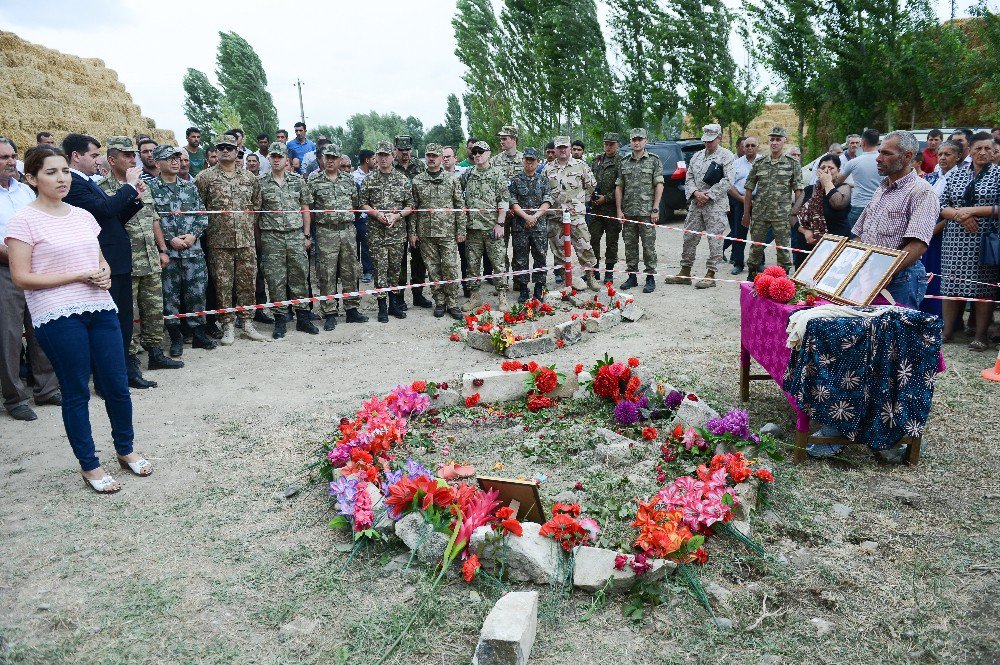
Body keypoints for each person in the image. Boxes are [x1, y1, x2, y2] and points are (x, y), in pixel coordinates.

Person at [5, 145, 153, 493]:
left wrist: (103, 273)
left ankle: (126, 450)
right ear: (32, 178)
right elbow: (22, 277)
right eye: (51, 172)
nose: (61, 179)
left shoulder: (82, 216)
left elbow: (98, 260)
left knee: (117, 384)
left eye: (65, 171)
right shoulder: (23, 220)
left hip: (100, 308)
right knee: (76, 391)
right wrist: (75, 276)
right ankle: (90, 465)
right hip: (57, 315)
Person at [809, 131, 938, 462]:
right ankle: (840, 427)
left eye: (886, 153)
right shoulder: (882, 190)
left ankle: (887, 439)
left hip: (899, 285)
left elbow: (916, 246)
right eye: (879, 151)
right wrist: (835, 266)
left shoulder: (922, 193)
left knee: (891, 362)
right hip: (866, 282)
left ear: (908, 158)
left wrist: (879, 275)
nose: (877, 158)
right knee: (857, 353)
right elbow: (856, 236)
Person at [62, 133, 156, 389]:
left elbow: (111, 219)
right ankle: (107, 381)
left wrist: (134, 198)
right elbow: (104, 211)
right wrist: (128, 185)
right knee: (111, 326)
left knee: (122, 323)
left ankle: (120, 375)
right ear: (76, 156)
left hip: (116, 261)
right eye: (93, 155)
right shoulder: (74, 183)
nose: (97, 160)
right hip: (105, 263)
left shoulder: (86, 182)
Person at [100, 138, 182, 373]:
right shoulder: (104, 189)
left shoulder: (142, 186)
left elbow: (153, 219)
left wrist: (162, 249)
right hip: (126, 263)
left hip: (150, 258)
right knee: (129, 314)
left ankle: (156, 352)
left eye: (132, 155)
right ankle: (130, 358)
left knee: (154, 309)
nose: (132, 160)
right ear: (112, 159)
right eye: (126, 156)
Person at [0, 137, 60, 422]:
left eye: (12, 156)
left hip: (37, 269)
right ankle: (15, 398)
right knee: (9, 335)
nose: (10, 162)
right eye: (2, 157)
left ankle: (46, 388)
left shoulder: (25, 191)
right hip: (4, 272)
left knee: (41, 328)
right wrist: (17, 254)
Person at [195, 133, 267, 345]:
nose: (225, 150)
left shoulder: (249, 178)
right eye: (221, 147)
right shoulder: (205, 178)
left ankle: (247, 323)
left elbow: (256, 206)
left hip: (246, 241)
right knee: (223, 285)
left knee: (247, 284)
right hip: (219, 243)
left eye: (229, 147)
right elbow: (200, 209)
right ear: (216, 152)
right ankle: (227, 325)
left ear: (237, 152)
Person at [148, 145, 216, 356]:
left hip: (193, 252)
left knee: (197, 293)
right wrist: (170, 239)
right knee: (170, 298)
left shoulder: (190, 187)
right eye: (169, 159)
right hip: (168, 254)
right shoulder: (150, 188)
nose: (176, 162)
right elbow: (150, 219)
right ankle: (176, 337)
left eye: (177, 157)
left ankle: (198, 334)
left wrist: (194, 235)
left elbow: (202, 214)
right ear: (157, 163)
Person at [938, 131, 1000, 350]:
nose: (982, 152)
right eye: (978, 148)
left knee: (983, 287)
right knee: (951, 284)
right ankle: (947, 331)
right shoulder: (956, 174)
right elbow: (941, 204)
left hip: (984, 238)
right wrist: (959, 216)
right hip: (955, 237)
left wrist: (969, 211)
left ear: (994, 152)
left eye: (987, 149)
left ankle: (980, 335)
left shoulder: (998, 174)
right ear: (970, 151)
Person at [258, 142, 315, 338]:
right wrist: (260, 241)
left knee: (300, 276)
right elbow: (256, 214)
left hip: (295, 235)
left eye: (279, 156)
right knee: (275, 280)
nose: (275, 159)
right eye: (272, 156)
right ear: (268, 159)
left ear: (286, 160)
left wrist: (307, 235)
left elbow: (305, 209)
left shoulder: (298, 181)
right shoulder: (260, 183)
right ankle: (280, 320)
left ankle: (303, 319)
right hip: (271, 237)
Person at [308, 144, 369, 330]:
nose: (331, 161)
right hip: (326, 232)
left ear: (340, 159)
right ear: (323, 159)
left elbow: (356, 205)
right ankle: (330, 313)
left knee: (350, 270)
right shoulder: (314, 181)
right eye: (327, 157)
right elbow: (309, 210)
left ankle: (352, 310)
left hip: (348, 230)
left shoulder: (349, 180)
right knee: (327, 273)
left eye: (334, 157)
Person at [667, 123, 734, 289]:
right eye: (705, 140)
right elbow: (688, 178)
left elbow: (728, 180)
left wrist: (708, 195)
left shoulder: (726, 156)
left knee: (715, 241)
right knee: (689, 237)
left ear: (719, 138)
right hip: (696, 204)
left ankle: (711, 274)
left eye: (711, 140)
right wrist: (696, 193)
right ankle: (685, 271)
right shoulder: (697, 156)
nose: (708, 143)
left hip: (715, 206)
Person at [360, 141, 413, 323]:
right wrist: (376, 214)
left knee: (395, 270)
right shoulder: (369, 180)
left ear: (393, 156)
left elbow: (410, 206)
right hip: (376, 233)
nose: (383, 158)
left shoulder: (402, 180)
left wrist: (397, 216)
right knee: (379, 270)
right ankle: (382, 307)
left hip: (397, 233)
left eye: (386, 155)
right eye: (380, 155)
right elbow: (363, 204)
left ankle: (394, 305)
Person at [410, 143, 464, 320]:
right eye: (429, 155)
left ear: (442, 158)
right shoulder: (418, 180)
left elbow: (459, 206)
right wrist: (413, 232)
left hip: (447, 232)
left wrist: (461, 229)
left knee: (450, 267)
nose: (431, 158)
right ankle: (440, 301)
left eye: (435, 155)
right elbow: (413, 208)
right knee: (433, 269)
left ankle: (453, 302)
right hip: (426, 233)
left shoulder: (452, 179)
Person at [742, 126, 803, 278]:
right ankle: (753, 275)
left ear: (784, 141)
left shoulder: (793, 163)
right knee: (756, 247)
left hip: (782, 215)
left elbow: (799, 191)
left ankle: (783, 278)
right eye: (772, 140)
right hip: (760, 214)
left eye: (778, 140)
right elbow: (749, 189)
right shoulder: (759, 162)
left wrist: (795, 213)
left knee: (783, 248)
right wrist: (746, 214)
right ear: (768, 142)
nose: (774, 143)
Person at [543, 136, 601, 292]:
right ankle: (565, 279)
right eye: (559, 147)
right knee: (558, 250)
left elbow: (590, 187)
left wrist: (578, 203)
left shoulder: (581, 166)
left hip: (575, 216)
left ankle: (590, 277)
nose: (562, 150)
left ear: (569, 148)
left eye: (565, 147)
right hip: (555, 217)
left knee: (585, 246)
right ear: (554, 149)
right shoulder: (547, 169)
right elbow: (543, 192)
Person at [462, 140, 510, 310]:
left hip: (492, 228)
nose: (477, 155)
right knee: (472, 265)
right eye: (474, 152)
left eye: (480, 152)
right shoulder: (467, 174)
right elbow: (461, 199)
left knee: (498, 264)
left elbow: (504, 201)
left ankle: (503, 297)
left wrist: (500, 224)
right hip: (473, 229)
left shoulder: (497, 174)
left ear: (489, 153)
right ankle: (475, 297)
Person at [616, 128, 663, 293]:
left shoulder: (654, 161)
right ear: (630, 142)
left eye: (640, 139)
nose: (636, 142)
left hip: (647, 212)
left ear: (645, 141)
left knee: (648, 246)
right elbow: (619, 187)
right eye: (634, 140)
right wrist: (619, 210)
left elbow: (659, 184)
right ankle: (632, 276)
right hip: (628, 211)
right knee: (630, 245)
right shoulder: (624, 162)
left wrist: (655, 208)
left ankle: (650, 277)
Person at [509, 147, 552, 303]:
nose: (529, 163)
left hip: (539, 226)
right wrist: (527, 217)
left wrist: (534, 217)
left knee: (540, 256)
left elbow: (547, 201)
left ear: (537, 162)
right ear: (522, 161)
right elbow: (512, 202)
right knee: (520, 258)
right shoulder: (515, 180)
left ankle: (539, 286)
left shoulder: (544, 180)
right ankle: (523, 288)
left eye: (532, 160)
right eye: (527, 159)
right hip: (520, 226)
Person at [393, 135, 430, 310]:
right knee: (399, 259)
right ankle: (399, 297)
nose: (405, 153)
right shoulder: (391, 167)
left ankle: (418, 294)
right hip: (398, 218)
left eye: (407, 150)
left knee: (419, 259)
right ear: (395, 150)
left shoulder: (420, 166)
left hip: (417, 217)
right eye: (401, 150)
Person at [794, 154, 852, 252]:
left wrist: (827, 183)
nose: (826, 171)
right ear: (817, 171)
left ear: (838, 171)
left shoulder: (843, 188)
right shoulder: (809, 190)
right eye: (823, 167)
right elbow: (792, 215)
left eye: (831, 168)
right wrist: (805, 231)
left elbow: (837, 203)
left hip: (834, 246)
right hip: (807, 244)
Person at [588, 133, 622, 284]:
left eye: (611, 144)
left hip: (612, 208)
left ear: (617, 145)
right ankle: (594, 270)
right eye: (606, 144)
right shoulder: (597, 160)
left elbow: (622, 186)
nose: (608, 147)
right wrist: (592, 196)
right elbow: (590, 180)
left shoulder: (621, 161)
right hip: (596, 208)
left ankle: (609, 272)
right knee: (593, 238)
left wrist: (606, 198)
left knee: (611, 241)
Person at [836, 128, 881, 229]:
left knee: (854, 241)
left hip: (859, 205)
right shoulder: (884, 162)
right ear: (878, 142)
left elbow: (838, 181)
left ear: (863, 142)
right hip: (880, 205)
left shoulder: (854, 162)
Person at [726, 136, 758, 274]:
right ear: (743, 148)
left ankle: (758, 263)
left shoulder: (763, 162)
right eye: (747, 145)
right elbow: (729, 184)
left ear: (758, 147)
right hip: (740, 201)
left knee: (758, 234)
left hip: (759, 202)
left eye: (752, 145)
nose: (750, 148)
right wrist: (741, 198)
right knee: (739, 233)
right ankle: (738, 264)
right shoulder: (736, 164)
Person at [443, 145, 471, 295]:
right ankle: (449, 290)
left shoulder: (465, 173)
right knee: (447, 260)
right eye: (444, 156)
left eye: (449, 156)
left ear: (455, 158)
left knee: (465, 257)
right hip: (443, 225)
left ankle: (467, 287)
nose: (446, 159)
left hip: (462, 221)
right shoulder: (436, 175)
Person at [352, 149, 375, 283]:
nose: (375, 161)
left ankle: (368, 271)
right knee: (354, 246)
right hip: (356, 218)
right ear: (367, 160)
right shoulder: (354, 177)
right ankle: (354, 271)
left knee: (366, 246)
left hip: (369, 217)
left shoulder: (374, 176)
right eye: (373, 159)